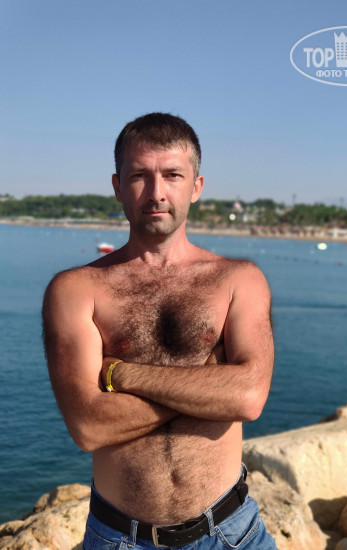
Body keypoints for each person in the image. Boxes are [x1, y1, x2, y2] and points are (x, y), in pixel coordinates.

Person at [42, 112, 277, 550]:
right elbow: (88, 426)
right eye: (139, 176)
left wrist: (122, 375)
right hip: (120, 539)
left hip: (232, 533)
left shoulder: (238, 280)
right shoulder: (76, 290)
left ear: (197, 186)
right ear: (118, 186)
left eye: (172, 175)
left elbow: (248, 397)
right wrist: (210, 384)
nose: (156, 193)